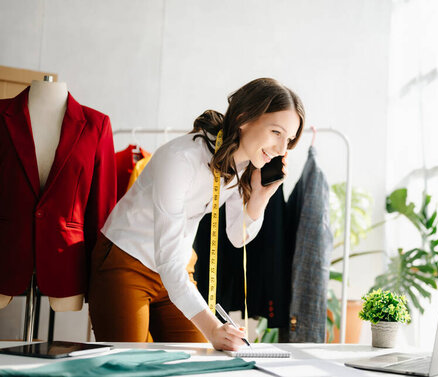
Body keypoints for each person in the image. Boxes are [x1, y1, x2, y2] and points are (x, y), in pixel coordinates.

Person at [88, 78, 304, 350]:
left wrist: (261, 197)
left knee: (198, 362)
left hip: (176, 272)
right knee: (128, 365)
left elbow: (237, 238)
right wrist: (213, 328)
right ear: (244, 117)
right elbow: (167, 260)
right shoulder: (180, 159)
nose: (282, 149)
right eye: (276, 132)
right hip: (126, 263)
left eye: (290, 139)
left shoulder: (243, 164)